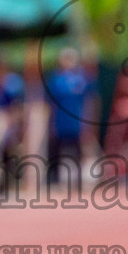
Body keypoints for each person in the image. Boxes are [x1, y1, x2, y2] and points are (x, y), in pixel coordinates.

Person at [44, 46, 96, 183]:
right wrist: (50, 125)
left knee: (78, 154)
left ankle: (77, 181)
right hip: (60, 124)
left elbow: (89, 102)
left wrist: (88, 123)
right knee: (56, 153)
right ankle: (54, 181)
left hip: (77, 125)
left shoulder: (82, 79)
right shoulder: (55, 79)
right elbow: (50, 105)